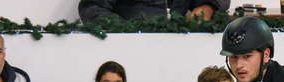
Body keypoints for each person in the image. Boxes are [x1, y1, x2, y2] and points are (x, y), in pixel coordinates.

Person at [78, 0, 228, 21]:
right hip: (127, 53)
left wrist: (208, 6)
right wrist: (126, 30)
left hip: (179, 51)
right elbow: (91, 8)